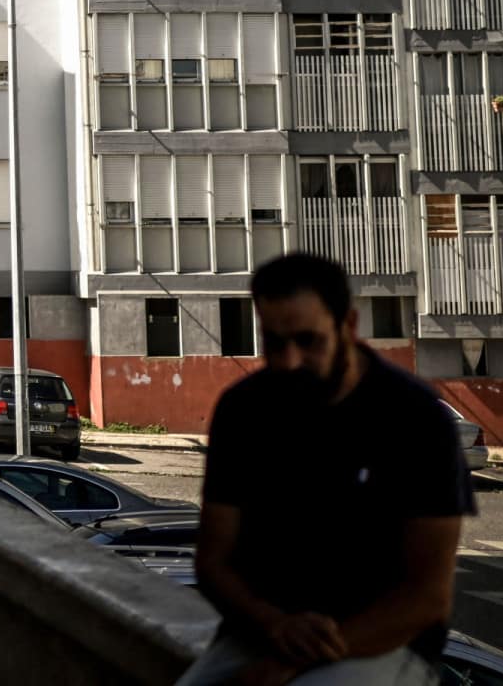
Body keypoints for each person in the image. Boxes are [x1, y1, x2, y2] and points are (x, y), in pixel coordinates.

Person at [176, 252, 474, 686]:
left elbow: (426, 599)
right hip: (260, 635)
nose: (290, 360)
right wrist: (275, 624)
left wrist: (295, 662)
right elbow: (213, 561)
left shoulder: (416, 419)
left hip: (384, 646)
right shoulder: (243, 410)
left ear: (348, 327)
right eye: (274, 343)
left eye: (308, 340)